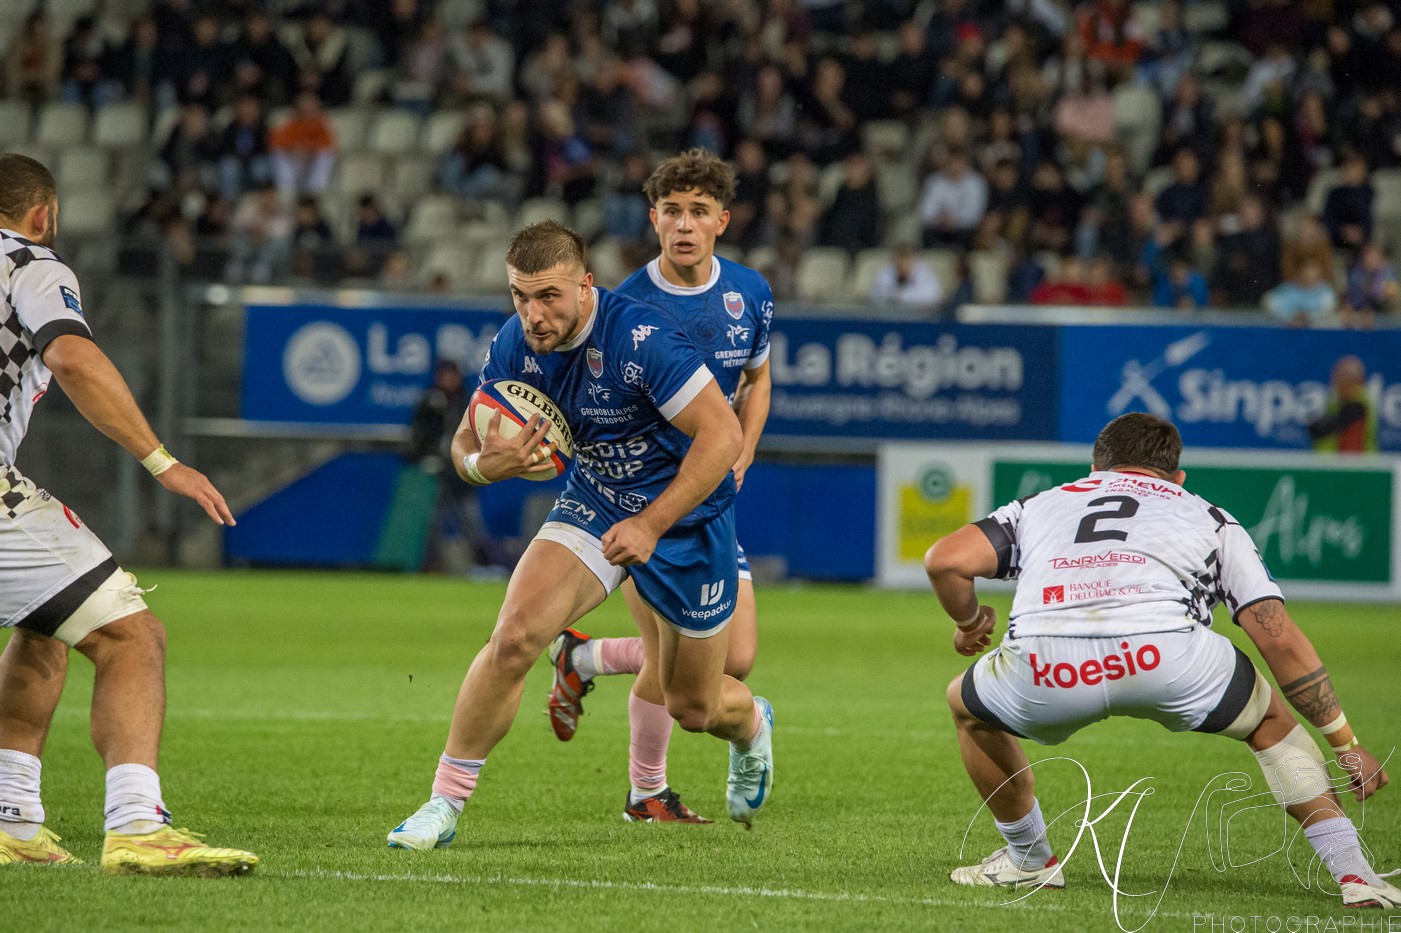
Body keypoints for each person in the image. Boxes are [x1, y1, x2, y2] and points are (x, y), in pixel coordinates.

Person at [387, 220, 774, 848]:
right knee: (515, 637)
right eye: (520, 296)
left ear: (586, 286)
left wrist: (652, 523)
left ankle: (753, 727)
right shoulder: (516, 341)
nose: (533, 315)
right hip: (594, 502)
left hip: (686, 522)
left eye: (548, 297)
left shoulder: (641, 340)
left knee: (694, 706)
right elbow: (464, 437)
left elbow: (723, 435)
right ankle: (442, 805)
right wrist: (485, 466)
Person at [924, 413, 1397, 908]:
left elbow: (944, 560)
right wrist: (1344, 742)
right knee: (1270, 721)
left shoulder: (1040, 506)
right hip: (1168, 658)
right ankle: (1355, 874)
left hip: (1047, 665)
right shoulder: (1210, 516)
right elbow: (1277, 637)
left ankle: (1028, 859)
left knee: (965, 704)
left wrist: (970, 621)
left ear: (1094, 467)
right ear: (1177, 477)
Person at [0, 153, 257, 874]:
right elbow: (74, 358)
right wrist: (163, 461)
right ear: (44, 214)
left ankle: (12, 819)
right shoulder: (31, 262)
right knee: (131, 636)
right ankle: (139, 824)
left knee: (46, 625)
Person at [543, 149, 774, 823]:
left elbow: (757, 381)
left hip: (712, 499)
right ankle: (647, 791)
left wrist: (745, 446)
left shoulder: (750, 294)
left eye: (698, 211)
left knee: (737, 658)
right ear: (653, 218)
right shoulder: (623, 306)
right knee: (679, 676)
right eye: (671, 210)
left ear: (720, 221)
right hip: (644, 500)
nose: (683, 224)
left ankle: (584, 657)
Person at [1308, 356, 1377, 453]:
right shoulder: (1337, 403)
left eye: (1338, 378)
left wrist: (1316, 424)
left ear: (1351, 381)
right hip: (1336, 464)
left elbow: (1325, 428)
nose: (1335, 383)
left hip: (1360, 465)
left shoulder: (1358, 406)